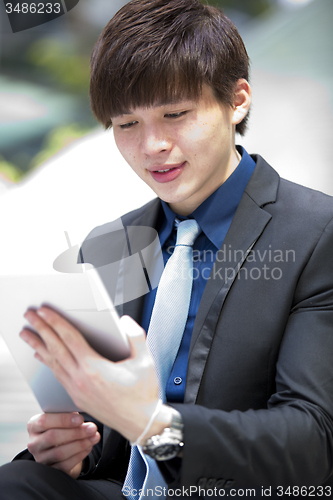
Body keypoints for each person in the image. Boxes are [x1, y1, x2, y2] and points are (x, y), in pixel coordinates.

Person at [1, 0, 333, 498]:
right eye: (126, 124)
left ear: (237, 100)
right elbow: (104, 437)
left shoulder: (316, 235)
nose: (152, 145)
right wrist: (74, 448)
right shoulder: (106, 247)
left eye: (174, 114)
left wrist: (156, 425)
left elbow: (312, 444)